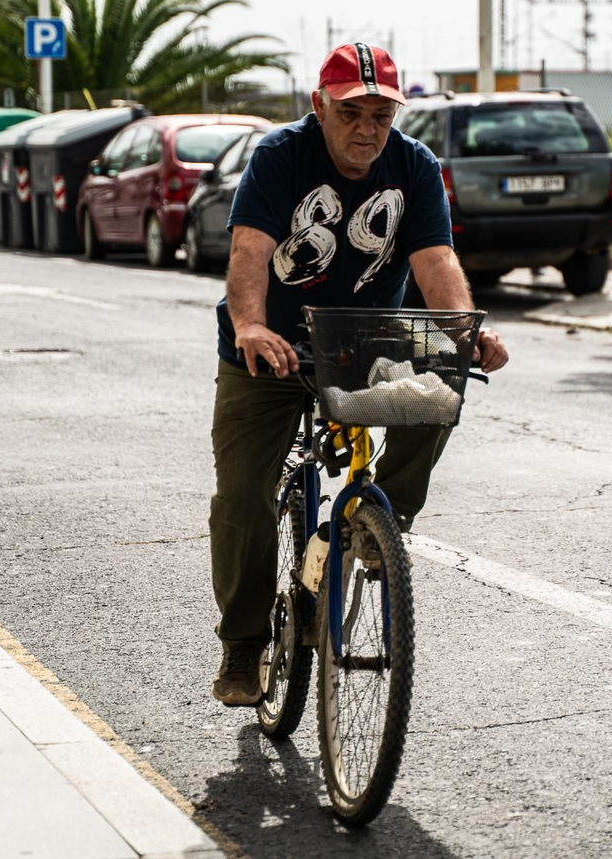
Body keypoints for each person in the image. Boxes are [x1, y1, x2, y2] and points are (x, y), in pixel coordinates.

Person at [208, 42, 508, 706]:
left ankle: (386, 518)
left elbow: (435, 262)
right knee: (242, 498)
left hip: (360, 342)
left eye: (381, 113)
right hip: (270, 345)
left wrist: (466, 327)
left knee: (442, 374)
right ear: (319, 106)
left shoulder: (414, 166)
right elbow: (249, 252)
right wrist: (251, 325)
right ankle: (243, 644)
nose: (367, 129)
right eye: (351, 113)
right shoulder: (279, 158)